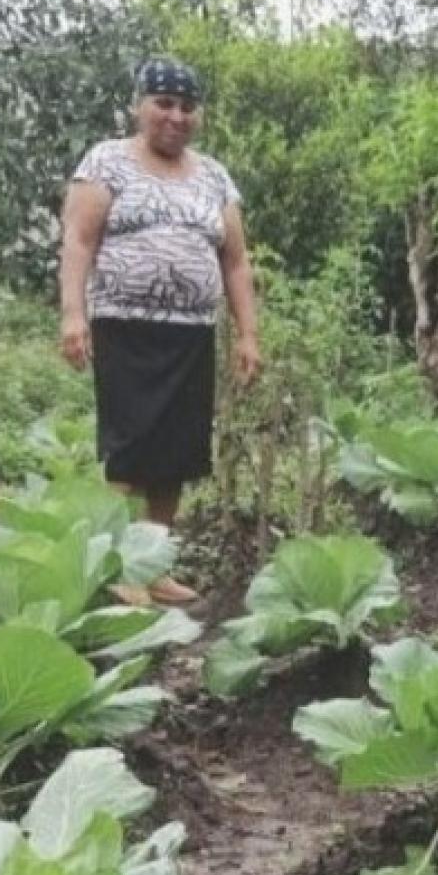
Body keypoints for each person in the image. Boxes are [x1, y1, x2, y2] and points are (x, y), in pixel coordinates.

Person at [59, 57, 261, 605]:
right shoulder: (107, 162)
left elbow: (236, 262)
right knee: (130, 449)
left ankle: (155, 566)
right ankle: (119, 567)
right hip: (124, 327)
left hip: (191, 332)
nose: (175, 116)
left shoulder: (214, 175)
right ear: (140, 106)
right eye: (163, 104)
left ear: (199, 114)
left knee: (176, 453)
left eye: (186, 107)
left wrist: (247, 335)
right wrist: (73, 315)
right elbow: (78, 240)